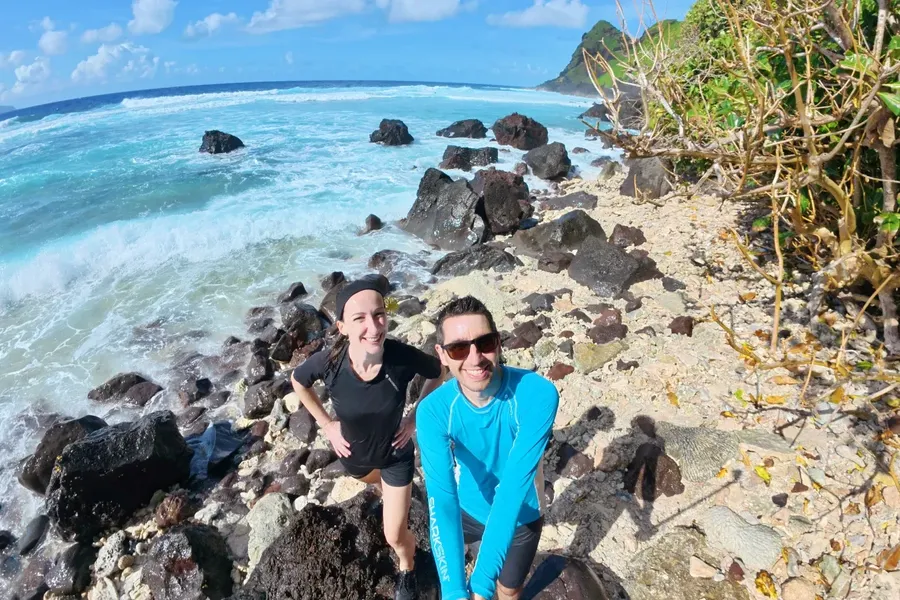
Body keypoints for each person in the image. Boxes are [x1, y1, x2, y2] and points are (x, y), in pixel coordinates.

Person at [290, 278, 445, 600]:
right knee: (381, 489)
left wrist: (414, 417)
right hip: (356, 463)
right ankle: (392, 495)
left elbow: (439, 371)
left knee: (394, 535)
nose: (374, 327)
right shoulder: (330, 362)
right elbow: (298, 381)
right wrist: (327, 425)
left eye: (379, 315)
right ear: (342, 326)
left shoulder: (400, 357)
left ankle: (407, 566)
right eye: (359, 318)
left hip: (395, 458)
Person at [416, 296, 560, 600]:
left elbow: (513, 488)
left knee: (508, 590)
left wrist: (481, 583)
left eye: (485, 343)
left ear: (498, 342)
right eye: (458, 348)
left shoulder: (537, 394)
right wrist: (454, 592)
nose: (475, 358)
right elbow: (442, 499)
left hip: (521, 513)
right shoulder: (433, 411)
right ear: (442, 355)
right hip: (465, 508)